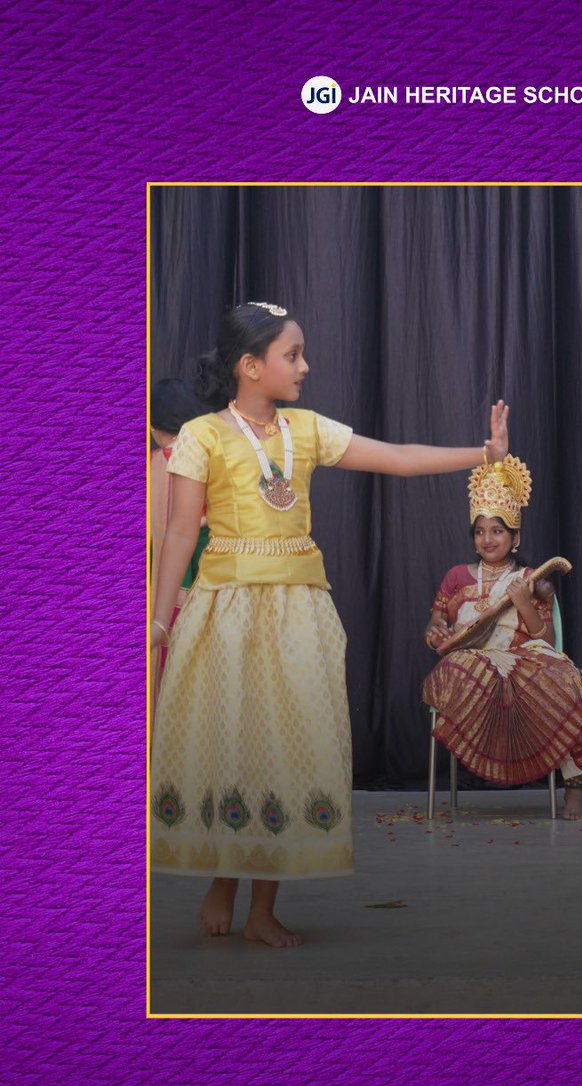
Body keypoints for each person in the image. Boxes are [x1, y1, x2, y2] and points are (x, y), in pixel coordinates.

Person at [150, 301, 509, 947]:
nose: (305, 365)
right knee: (229, 743)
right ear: (250, 366)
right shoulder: (203, 436)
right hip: (225, 611)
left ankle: (262, 907)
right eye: (292, 355)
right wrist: (158, 618)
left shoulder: (306, 429)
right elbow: (179, 531)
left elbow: (397, 457)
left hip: (299, 613)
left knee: (287, 750)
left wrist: (482, 453)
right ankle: (223, 882)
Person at [422, 455, 582, 819]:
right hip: (470, 659)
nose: (488, 539)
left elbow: (545, 639)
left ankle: (574, 792)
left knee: (564, 681)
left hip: (523, 658)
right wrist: (435, 634)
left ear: (514, 537)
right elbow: (436, 626)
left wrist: (522, 601)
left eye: (498, 531)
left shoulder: (533, 579)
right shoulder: (456, 577)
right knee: (458, 670)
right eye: (481, 531)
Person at [149, 379, 209, 718]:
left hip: (162, 599)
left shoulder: (148, 469)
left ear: (155, 429)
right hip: (217, 598)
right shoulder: (221, 465)